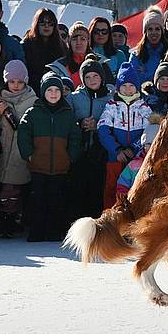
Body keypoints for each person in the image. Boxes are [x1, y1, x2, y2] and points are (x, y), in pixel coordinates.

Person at [18, 72, 80, 242]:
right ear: (43, 92)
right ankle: (36, 232)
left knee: (56, 201)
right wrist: (28, 155)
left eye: (57, 90)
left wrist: (70, 157)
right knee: (37, 200)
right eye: (49, 90)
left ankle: (54, 232)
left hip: (60, 167)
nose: (53, 93)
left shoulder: (67, 114)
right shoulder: (33, 113)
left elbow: (75, 137)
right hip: (38, 166)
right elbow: (23, 134)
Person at [0, 60, 36, 237]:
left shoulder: (32, 101)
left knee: (11, 192)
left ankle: (9, 223)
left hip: (18, 154)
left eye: (20, 82)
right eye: (12, 81)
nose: (16, 85)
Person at [97, 62, 151, 210]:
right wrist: (117, 150)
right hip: (115, 157)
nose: (128, 90)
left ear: (137, 87)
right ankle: (111, 217)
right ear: (118, 87)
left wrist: (134, 149)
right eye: (124, 86)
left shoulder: (143, 107)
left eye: (131, 86)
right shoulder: (112, 106)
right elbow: (102, 130)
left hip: (136, 158)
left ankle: (132, 216)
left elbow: (148, 131)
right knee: (112, 187)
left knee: (134, 187)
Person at [66, 59, 112, 221]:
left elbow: (116, 121)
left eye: (95, 76)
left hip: (101, 152)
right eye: (87, 77)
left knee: (97, 189)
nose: (92, 80)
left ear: (102, 77)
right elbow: (66, 119)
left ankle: (97, 224)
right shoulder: (74, 98)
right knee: (78, 188)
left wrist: (98, 124)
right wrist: (80, 123)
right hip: (79, 151)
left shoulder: (110, 97)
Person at [126, 6, 168, 89]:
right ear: (145, 32)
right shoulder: (136, 54)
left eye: (157, 29)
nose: (154, 33)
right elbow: (135, 79)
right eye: (150, 29)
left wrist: (145, 72)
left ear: (162, 31)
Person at [21, 8, 66, 84]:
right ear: (36, 24)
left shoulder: (61, 46)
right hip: (31, 88)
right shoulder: (26, 45)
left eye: (50, 23)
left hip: (54, 88)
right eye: (42, 23)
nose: (46, 26)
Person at [47, 21, 91, 89]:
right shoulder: (59, 66)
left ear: (88, 42)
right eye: (74, 39)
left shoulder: (100, 62)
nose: (78, 42)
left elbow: (109, 87)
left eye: (83, 39)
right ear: (69, 42)